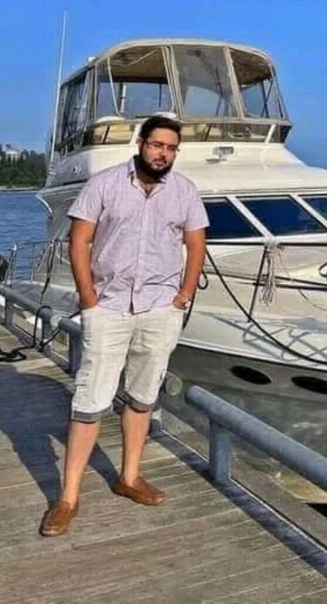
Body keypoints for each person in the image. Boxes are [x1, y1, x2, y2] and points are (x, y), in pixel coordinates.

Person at [40, 115, 208, 537]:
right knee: (89, 401)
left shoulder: (185, 191)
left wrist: (182, 296)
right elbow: (79, 241)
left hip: (159, 307)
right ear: (141, 143)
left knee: (143, 397)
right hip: (109, 306)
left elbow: (195, 244)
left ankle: (129, 477)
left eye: (170, 148)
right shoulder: (104, 184)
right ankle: (67, 498)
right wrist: (89, 300)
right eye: (156, 145)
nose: (162, 154)